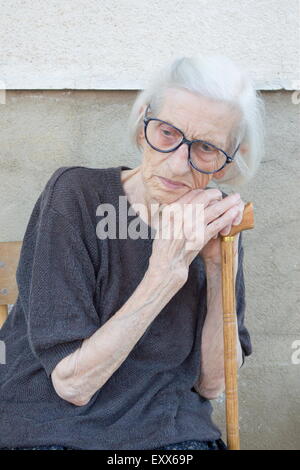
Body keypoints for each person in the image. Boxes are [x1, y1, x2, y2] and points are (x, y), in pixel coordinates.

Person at [0, 55, 265, 450]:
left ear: (225, 163)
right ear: (143, 125)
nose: (178, 164)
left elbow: (212, 384)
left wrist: (217, 267)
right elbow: (72, 384)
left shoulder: (212, 220)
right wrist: (165, 272)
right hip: (54, 432)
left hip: (173, 441)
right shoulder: (76, 197)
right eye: (167, 132)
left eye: (206, 147)